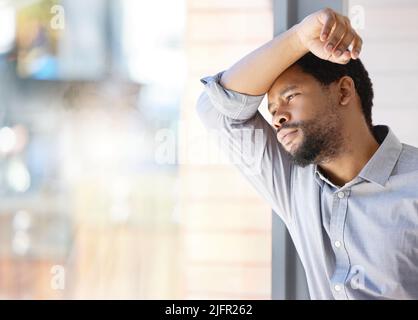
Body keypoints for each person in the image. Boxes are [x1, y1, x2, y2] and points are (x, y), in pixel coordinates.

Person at [196, 8, 418, 299]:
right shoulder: (293, 183)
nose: (278, 119)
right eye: (273, 110)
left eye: (290, 97)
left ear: (343, 92)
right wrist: (300, 37)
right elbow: (216, 109)